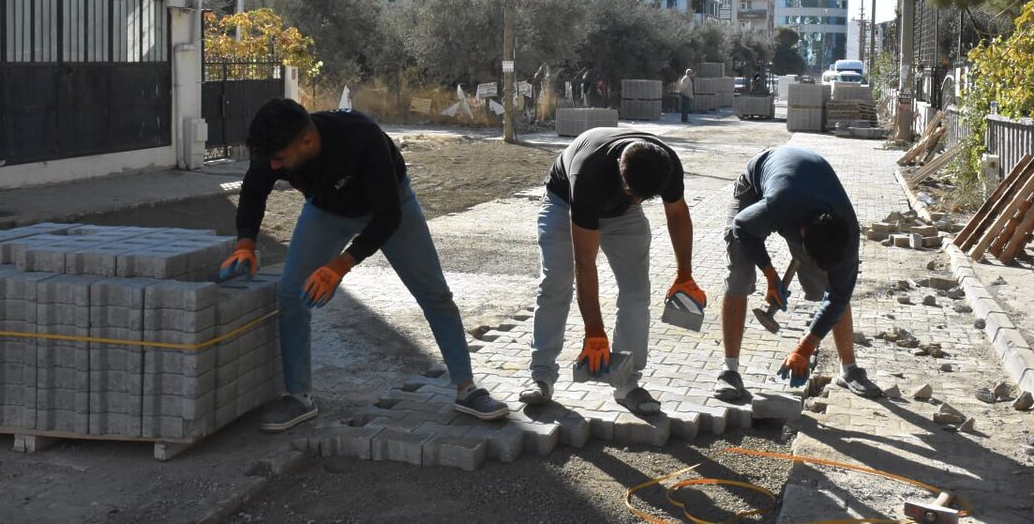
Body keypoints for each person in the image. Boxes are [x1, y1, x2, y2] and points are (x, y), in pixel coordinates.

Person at [220, 98, 509, 432]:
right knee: (290, 293)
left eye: (280, 160)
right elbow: (254, 189)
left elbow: (388, 217)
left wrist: (339, 267)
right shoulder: (275, 148)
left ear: (307, 141)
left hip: (390, 207)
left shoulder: (360, 137)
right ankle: (299, 397)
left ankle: (467, 390)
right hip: (326, 211)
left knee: (435, 294)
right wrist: (246, 243)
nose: (273, 167)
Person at [519, 128, 704, 416]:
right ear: (621, 174)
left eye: (646, 198)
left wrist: (685, 274)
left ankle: (627, 383)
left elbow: (678, 213)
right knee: (556, 282)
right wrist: (594, 331)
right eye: (636, 194)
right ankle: (541, 375)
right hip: (564, 204)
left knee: (636, 292)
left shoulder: (665, 164)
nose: (641, 202)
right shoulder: (588, 174)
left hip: (622, 214)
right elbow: (585, 262)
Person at [715, 146, 882, 403]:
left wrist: (804, 349)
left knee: (835, 286)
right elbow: (743, 228)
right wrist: (770, 274)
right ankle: (729, 371)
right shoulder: (779, 205)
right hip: (756, 185)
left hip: (805, 192)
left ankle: (849, 371)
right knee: (740, 272)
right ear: (801, 237)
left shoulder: (846, 233)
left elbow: (838, 296)